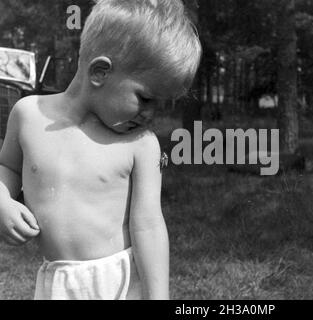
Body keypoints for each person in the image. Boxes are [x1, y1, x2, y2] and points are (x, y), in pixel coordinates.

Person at [0, 0, 201, 300]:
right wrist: (2, 199)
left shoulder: (141, 145)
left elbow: (148, 224)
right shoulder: (28, 115)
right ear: (100, 73)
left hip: (118, 283)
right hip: (58, 281)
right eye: (145, 98)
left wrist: (158, 296)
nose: (151, 114)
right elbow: (8, 168)